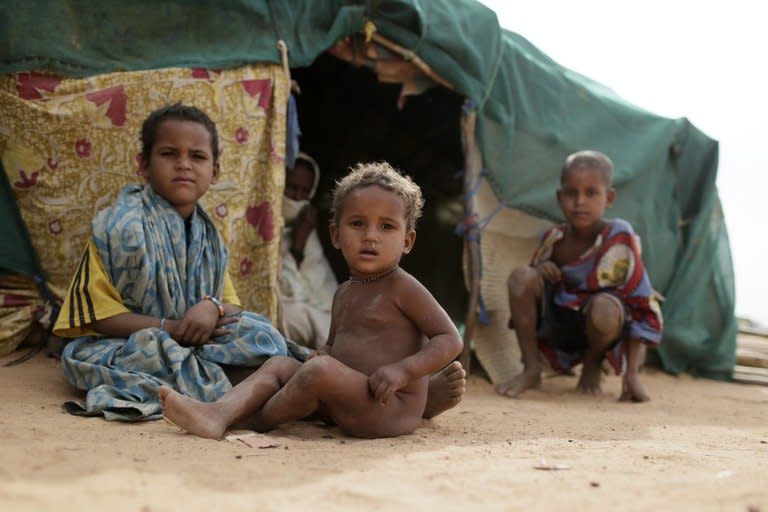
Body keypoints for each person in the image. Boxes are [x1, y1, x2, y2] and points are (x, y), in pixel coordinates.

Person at [159, 162, 464, 438]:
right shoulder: (343, 292)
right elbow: (335, 346)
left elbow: (450, 339)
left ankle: (254, 421)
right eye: (357, 224)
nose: (371, 236)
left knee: (319, 373)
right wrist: (323, 353)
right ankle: (219, 412)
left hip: (386, 407)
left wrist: (404, 371)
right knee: (281, 363)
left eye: (387, 227)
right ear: (334, 235)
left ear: (407, 241)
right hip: (347, 400)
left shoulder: (404, 288)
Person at [53, 103, 289, 421]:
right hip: (129, 346)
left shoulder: (209, 238)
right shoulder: (119, 227)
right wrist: (170, 329)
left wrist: (211, 307)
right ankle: (246, 395)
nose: (184, 165)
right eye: (168, 154)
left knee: (262, 333)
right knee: (137, 351)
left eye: (197, 156)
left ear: (215, 170)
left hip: (197, 342)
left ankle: (229, 389)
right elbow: (98, 318)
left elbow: (231, 307)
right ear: (144, 165)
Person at [496, 150, 663, 402]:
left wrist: (632, 376)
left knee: (605, 308)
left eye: (591, 192)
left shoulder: (619, 236)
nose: (580, 201)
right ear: (559, 197)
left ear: (609, 197)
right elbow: (533, 289)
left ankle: (592, 364)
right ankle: (531, 369)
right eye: (571, 193)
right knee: (521, 277)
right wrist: (541, 270)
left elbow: (640, 302)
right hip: (562, 327)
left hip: (604, 329)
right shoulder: (553, 239)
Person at [279, 153, 337, 348]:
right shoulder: (263, 228)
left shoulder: (308, 229)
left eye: (305, 191)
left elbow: (322, 292)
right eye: (291, 187)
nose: (297, 197)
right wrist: (297, 244)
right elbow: (286, 289)